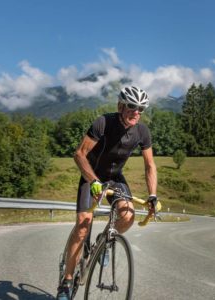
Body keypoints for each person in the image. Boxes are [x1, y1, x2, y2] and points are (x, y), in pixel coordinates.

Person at [56, 86, 158, 300]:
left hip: (115, 178)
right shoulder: (103, 122)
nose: (136, 112)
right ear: (120, 106)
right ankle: (66, 282)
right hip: (92, 176)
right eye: (132, 106)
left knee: (128, 216)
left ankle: (104, 242)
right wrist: (93, 180)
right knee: (83, 226)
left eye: (141, 108)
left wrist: (152, 195)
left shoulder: (142, 131)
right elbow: (79, 154)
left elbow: (150, 165)